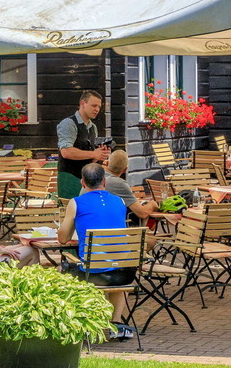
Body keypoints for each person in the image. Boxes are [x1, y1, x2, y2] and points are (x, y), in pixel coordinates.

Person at [57, 163, 137, 340]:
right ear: (105, 182)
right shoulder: (120, 201)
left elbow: (62, 238)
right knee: (116, 264)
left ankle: (77, 321)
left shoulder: (76, 203)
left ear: (82, 183)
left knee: (63, 267)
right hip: (124, 274)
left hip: (91, 274)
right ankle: (116, 323)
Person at [57, 90, 110, 200]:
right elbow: (66, 152)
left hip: (88, 180)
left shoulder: (93, 127)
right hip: (70, 178)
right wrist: (94, 154)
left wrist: (100, 155)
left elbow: (91, 157)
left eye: (99, 107)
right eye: (94, 105)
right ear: (82, 103)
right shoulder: (68, 123)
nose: (97, 109)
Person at [103, 150, 159, 224]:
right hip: (111, 228)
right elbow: (142, 213)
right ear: (125, 170)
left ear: (107, 163)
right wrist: (153, 204)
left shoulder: (94, 176)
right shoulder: (119, 184)